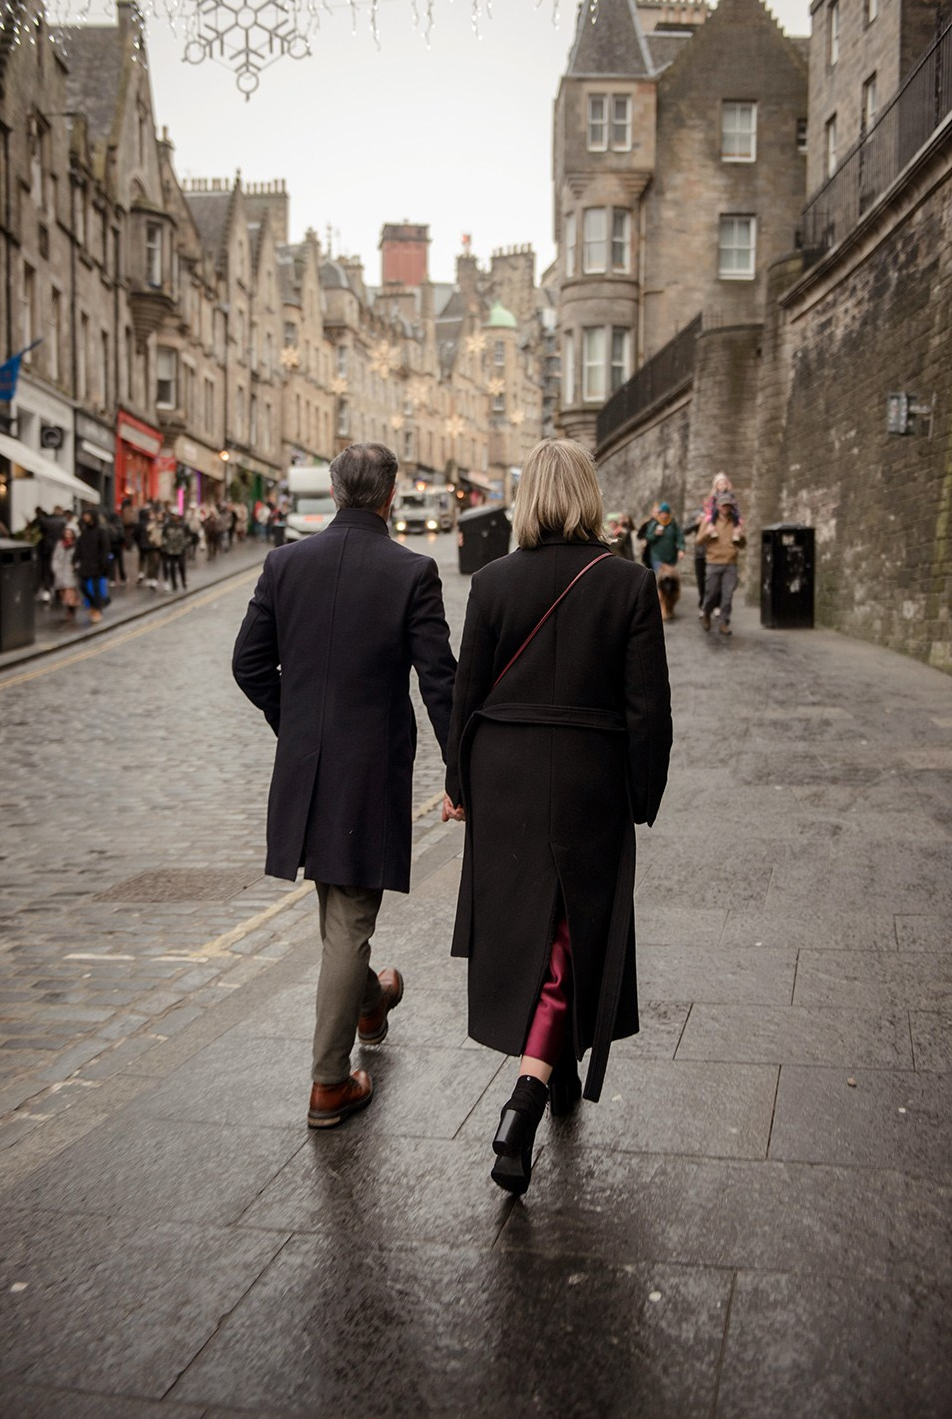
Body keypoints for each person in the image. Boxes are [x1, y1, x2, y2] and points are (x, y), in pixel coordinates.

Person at [443, 438, 672, 1196]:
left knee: (535, 928)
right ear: (588, 495)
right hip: (587, 774)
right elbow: (647, 710)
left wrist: (458, 782)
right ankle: (524, 1101)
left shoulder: (492, 582)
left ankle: (553, 1068)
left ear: (525, 500)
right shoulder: (628, 584)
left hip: (503, 773)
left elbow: (465, 694)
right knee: (572, 929)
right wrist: (641, 794)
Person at [232, 442, 457, 1131]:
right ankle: (330, 1082)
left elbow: (248, 665)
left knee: (340, 912)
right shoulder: (411, 570)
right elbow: (439, 683)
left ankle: (369, 1003)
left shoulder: (284, 562)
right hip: (368, 770)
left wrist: (295, 724)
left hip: (307, 767)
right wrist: (462, 772)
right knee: (349, 920)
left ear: (334, 492)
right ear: (390, 497)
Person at [699, 489, 746, 636]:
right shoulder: (708, 522)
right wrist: (707, 533)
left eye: (728, 505)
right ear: (718, 506)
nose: (726, 508)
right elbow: (698, 541)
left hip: (730, 563)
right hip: (713, 562)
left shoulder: (736, 522)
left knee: (728, 596)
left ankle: (724, 623)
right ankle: (706, 614)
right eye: (723, 505)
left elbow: (742, 545)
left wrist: (740, 536)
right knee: (711, 593)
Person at [73, 507, 111, 623]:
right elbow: (79, 547)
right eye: (84, 515)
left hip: (97, 564)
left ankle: (97, 610)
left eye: (87, 515)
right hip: (85, 564)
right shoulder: (84, 532)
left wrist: (103, 563)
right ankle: (95, 605)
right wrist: (74, 560)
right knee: (82, 586)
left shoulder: (101, 531)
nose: (85, 517)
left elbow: (105, 549)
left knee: (96, 588)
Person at [51, 521, 80, 620]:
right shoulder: (60, 544)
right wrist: (55, 568)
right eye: (66, 532)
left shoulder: (76, 545)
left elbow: (79, 558)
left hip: (70, 572)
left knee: (70, 592)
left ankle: (71, 610)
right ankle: (70, 608)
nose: (67, 534)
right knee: (63, 593)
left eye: (70, 532)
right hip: (60, 572)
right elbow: (55, 557)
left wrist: (76, 566)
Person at [162, 508, 189, 591]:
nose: (174, 517)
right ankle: (174, 584)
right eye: (173, 515)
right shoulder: (167, 525)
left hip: (181, 549)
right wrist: (166, 544)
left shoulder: (183, 525)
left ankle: (183, 582)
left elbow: (188, 536)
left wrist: (184, 543)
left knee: (181, 566)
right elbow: (164, 536)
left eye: (176, 515)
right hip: (171, 550)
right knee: (172, 567)